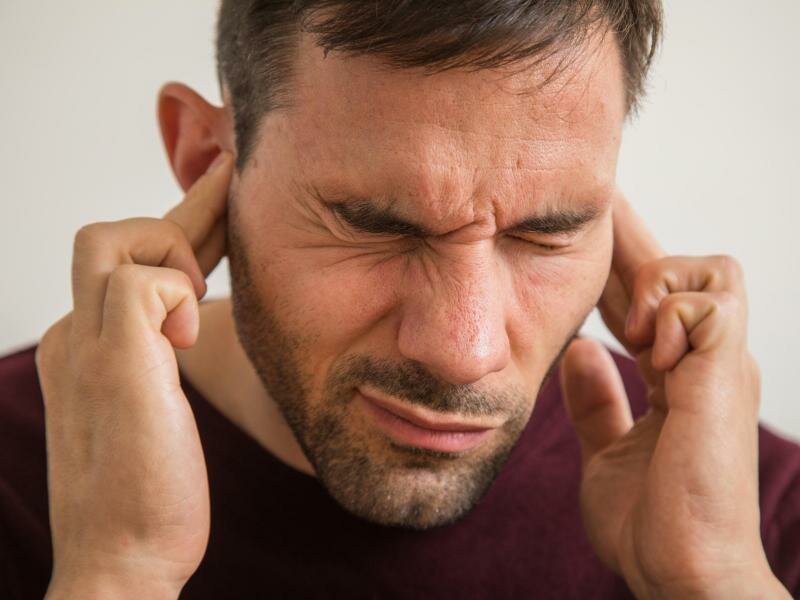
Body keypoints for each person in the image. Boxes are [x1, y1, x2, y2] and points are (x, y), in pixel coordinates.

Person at [1, 1, 799, 598]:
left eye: (546, 233)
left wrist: (715, 581)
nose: (464, 351)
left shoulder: (755, 516)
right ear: (205, 158)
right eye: (375, 225)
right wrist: (119, 574)